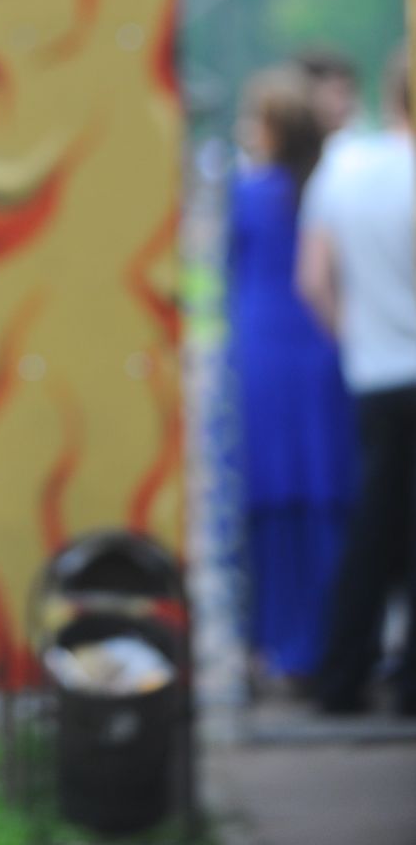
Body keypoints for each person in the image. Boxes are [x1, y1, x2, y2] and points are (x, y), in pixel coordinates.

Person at [227, 66, 356, 690]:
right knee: (330, 495)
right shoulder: (327, 188)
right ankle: (331, 640)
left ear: (273, 127)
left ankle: (277, 641)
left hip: (263, 357)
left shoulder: (249, 194)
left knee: (271, 501)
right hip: (326, 354)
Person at [297, 44, 416, 714]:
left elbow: (312, 279)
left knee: (370, 533)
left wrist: (355, 338)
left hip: (372, 373)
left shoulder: (342, 169)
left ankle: (342, 675)